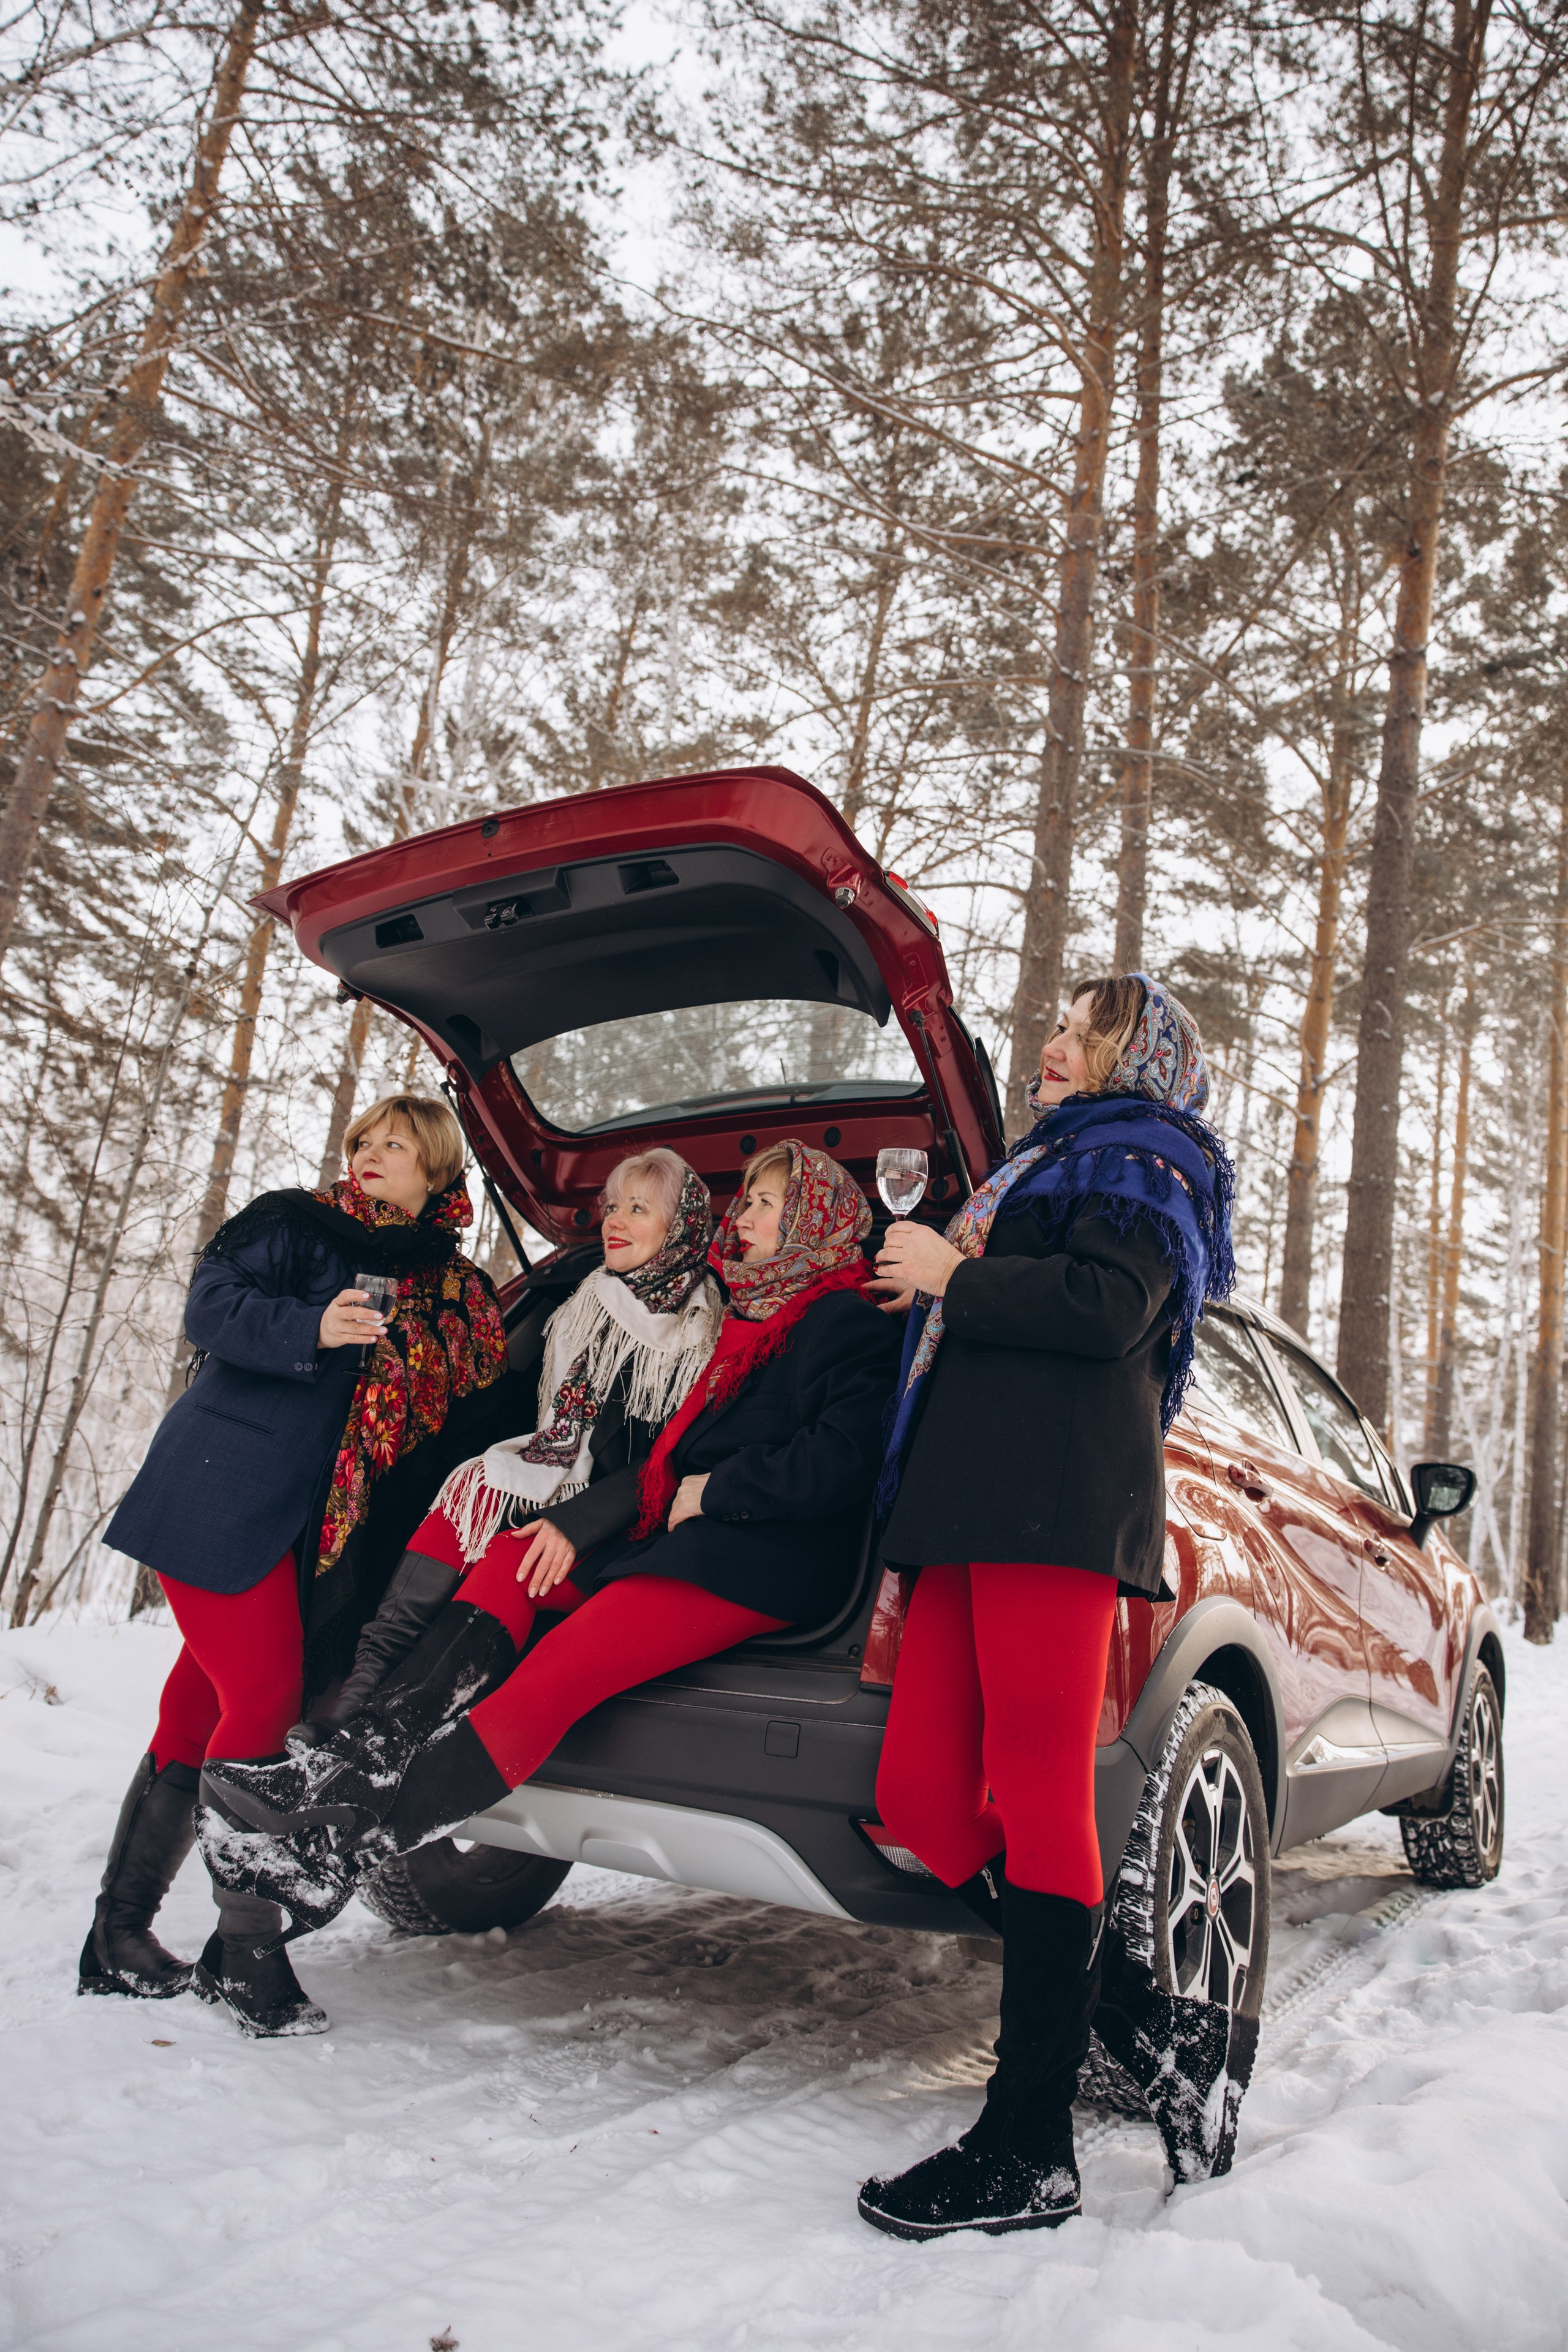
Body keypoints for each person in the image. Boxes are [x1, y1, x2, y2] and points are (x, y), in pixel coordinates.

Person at [194, 1141, 902, 1944]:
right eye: (745, 1203)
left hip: (758, 1561)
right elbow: (665, 1461)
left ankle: (338, 1849)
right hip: (683, 1541)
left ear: (817, 1215)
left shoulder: (847, 1320)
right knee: (511, 1557)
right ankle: (353, 1758)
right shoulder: (752, 1318)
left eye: (767, 1202)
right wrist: (570, 1523)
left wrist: (717, 1490)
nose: (744, 1217)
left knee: (550, 1681)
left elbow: (841, 1461)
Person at [856, 973, 1240, 2239]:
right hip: (974, 1502)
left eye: (1086, 1029)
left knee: (1035, 1794)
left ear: (1146, 1062)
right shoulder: (1041, 1166)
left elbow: (1105, 1309)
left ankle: (1028, 2144)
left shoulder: (1147, 1162)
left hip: (1057, 1503)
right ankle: (1134, 2016)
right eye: (1057, 1024)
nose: (1051, 1043)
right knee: (919, 1793)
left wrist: (950, 1276)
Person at [83, 1094, 507, 2036]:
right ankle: (246, 1953)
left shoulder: (448, 1283)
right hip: (218, 1488)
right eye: (364, 1140)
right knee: (264, 1703)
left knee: (199, 1707)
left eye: (396, 1145)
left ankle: (117, 1937)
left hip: (303, 1530)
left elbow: (467, 1393)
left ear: (437, 1170)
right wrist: (314, 1328)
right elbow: (212, 1308)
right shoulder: (293, 1225)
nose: (371, 1155)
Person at [293, 1147, 723, 1745]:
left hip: (621, 1527)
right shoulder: (582, 1301)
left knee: (492, 1525)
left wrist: (572, 1522)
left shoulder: (703, 1334)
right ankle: (356, 1704)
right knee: (469, 1488)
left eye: (638, 1209)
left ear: (681, 1228)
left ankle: (378, 1728)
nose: (614, 1221)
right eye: (612, 1206)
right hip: (556, 1483)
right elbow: (529, 1406)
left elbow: (666, 1463)